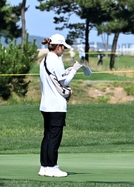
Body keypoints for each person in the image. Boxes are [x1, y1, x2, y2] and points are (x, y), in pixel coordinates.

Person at [39, 33, 82, 178]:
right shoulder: (56, 61)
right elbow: (64, 82)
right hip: (56, 105)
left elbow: (57, 78)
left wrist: (68, 71)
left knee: (47, 136)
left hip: (45, 105)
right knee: (55, 137)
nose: (63, 50)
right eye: (62, 47)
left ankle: (44, 166)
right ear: (58, 46)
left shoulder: (44, 60)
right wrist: (74, 70)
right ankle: (52, 167)